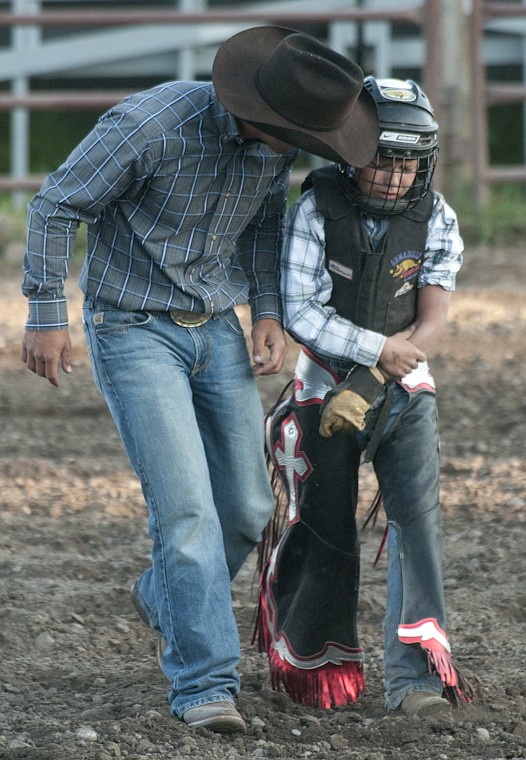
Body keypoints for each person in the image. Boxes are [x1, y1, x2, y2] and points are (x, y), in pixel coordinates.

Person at [19, 26, 379, 733]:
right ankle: (204, 687)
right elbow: (56, 204)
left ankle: (167, 597)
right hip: (132, 327)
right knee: (186, 513)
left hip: (215, 322)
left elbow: (265, 226)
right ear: (262, 116)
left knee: (247, 508)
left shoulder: (273, 151)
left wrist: (267, 312)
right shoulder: (148, 125)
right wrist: (43, 313)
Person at [257, 77, 474, 718]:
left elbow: (431, 318)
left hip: (407, 395)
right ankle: (317, 668)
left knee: (417, 528)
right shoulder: (316, 207)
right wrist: (377, 350)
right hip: (323, 392)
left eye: (408, 162)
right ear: (353, 156)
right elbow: (300, 310)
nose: (394, 175)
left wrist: (389, 364)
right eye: (382, 158)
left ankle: (415, 682)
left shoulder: (436, 217)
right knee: (323, 532)